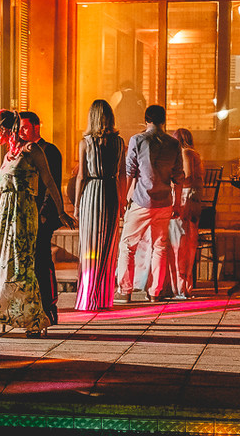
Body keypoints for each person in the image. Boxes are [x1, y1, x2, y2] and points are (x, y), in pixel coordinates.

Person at [0, 109, 76, 337]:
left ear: (6, 129)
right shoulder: (8, 155)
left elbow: (50, 182)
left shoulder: (32, 150)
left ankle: (33, 320)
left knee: (22, 266)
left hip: (24, 215)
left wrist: (60, 211)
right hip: (4, 217)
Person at [115, 104, 182, 303]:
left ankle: (125, 291)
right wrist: (177, 204)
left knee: (128, 246)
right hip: (165, 202)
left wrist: (123, 198)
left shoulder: (138, 140)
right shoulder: (173, 144)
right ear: (163, 121)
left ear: (146, 120)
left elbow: (130, 172)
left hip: (142, 201)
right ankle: (155, 292)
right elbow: (178, 177)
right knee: (159, 247)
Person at [73, 99, 126, 312]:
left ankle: (87, 298)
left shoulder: (85, 143)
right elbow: (122, 175)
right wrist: (122, 200)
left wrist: (76, 205)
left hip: (92, 192)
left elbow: (81, 176)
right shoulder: (119, 142)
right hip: (111, 191)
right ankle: (103, 297)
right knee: (107, 246)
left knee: (89, 246)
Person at [19, 111, 64, 324]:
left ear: (36, 127)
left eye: (25, 127)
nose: (21, 131)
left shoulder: (49, 150)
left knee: (42, 260)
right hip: (25, 214)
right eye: (19, 128)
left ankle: (49, 305)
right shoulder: (20, 150)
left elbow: (51, 183)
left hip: (42, 214)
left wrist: (45, 213)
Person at [168, 128, 203, 300]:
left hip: (185, 198)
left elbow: (188, 177)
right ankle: (185, 285)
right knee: (189, 241)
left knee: (179, 240)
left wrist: (171, 180)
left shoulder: (185, 153)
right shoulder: (194, 153)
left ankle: (180, 286)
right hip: (194, 199)